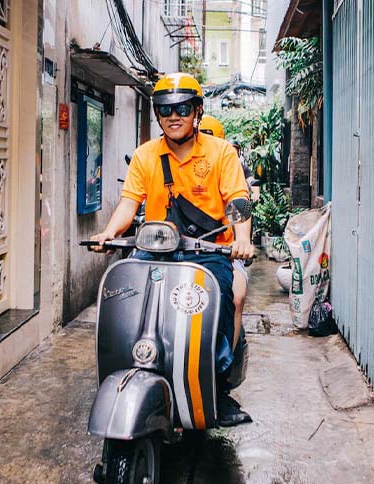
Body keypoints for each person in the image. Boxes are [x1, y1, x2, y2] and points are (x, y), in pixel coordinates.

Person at [89, 73, 254, 426]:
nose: (173, 115)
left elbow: (237, 200)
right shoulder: (145, 155)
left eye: (182, 108)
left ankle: (217, 383)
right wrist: (107, 232)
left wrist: (241, 238)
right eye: (165, 109)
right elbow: (128, 205)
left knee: (223, 297)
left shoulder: (221, 153)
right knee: (125, 292)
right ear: (157, 114)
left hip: (209, 251)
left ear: (197, 111)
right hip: (157, 249)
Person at [199, 117, 250, 354]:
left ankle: (224, 363)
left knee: (236, 296)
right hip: (175, 251)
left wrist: (242, 240)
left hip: (222, 250)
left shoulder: (227, 163)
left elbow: (239, 202)